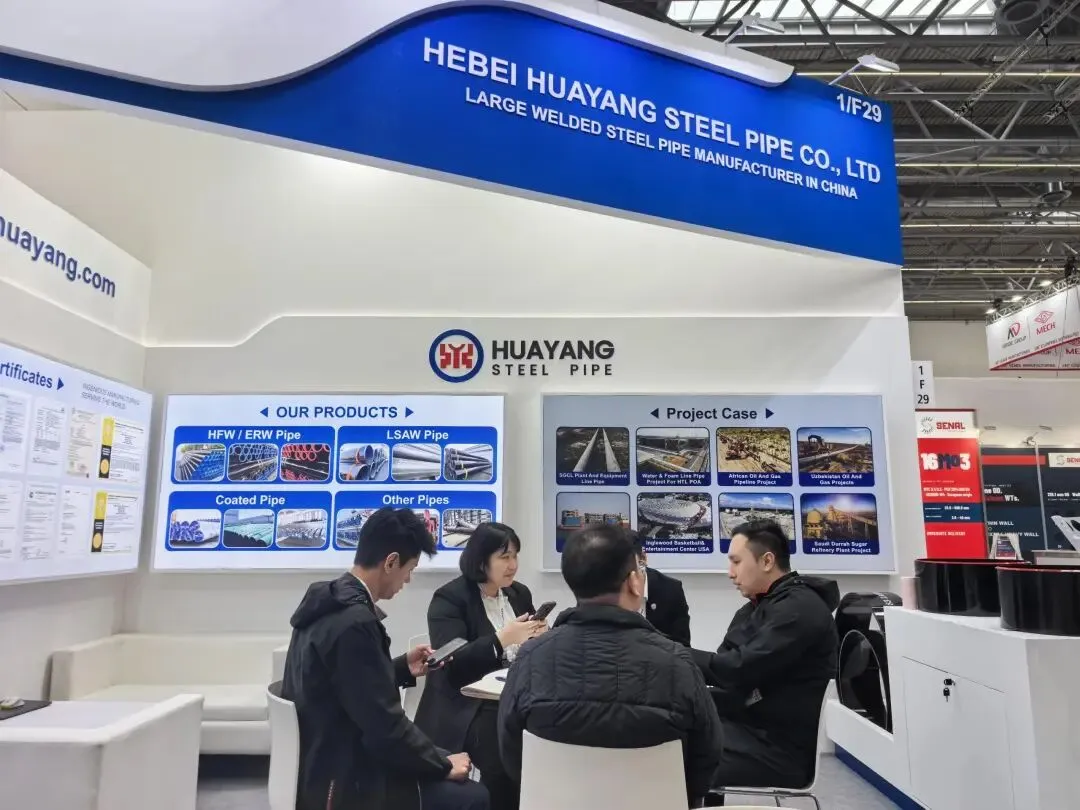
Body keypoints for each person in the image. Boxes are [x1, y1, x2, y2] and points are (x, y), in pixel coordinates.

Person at [281, 507, 489, 810]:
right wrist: (443, 765)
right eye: (410, 568)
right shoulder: (355, 623)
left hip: (323, 761)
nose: (408, 579)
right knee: (472, 794)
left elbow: (346, 686)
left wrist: (401, 668)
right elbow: (384, 728)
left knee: (446, 757)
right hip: (346, 781)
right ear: (391, 562)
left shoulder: (325, 602)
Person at [498, 525, 722, 805]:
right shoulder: (678, 663)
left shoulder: (530, 658)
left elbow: (511, 753)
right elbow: (707, 759)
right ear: (634, 582)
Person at [692, 520, 839, 805]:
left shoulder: (799, 610)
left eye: (736, 562)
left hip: (780, 752)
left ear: (767, 561)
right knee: (682, 726)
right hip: (753, 727)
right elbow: (728, 670)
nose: (730, 573)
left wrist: (675, 653)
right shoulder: (757, 608)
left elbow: (736, 669)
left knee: (682, 754)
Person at [415, 522, 545, 810]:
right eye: (504, 557)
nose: (513, 565)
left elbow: (528, 649)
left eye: (515, 556)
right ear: (481, 560)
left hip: (513, 695)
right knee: (500, 747)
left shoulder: (518, 593)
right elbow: (454, 663)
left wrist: (540, 637)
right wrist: (501, 639)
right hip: (466, 703)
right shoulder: (450, 599)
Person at [630, 530, 692, 646]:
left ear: (643, 558)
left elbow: (683, 646)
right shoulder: (605, 590)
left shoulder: (671, 590)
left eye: (629, 569)